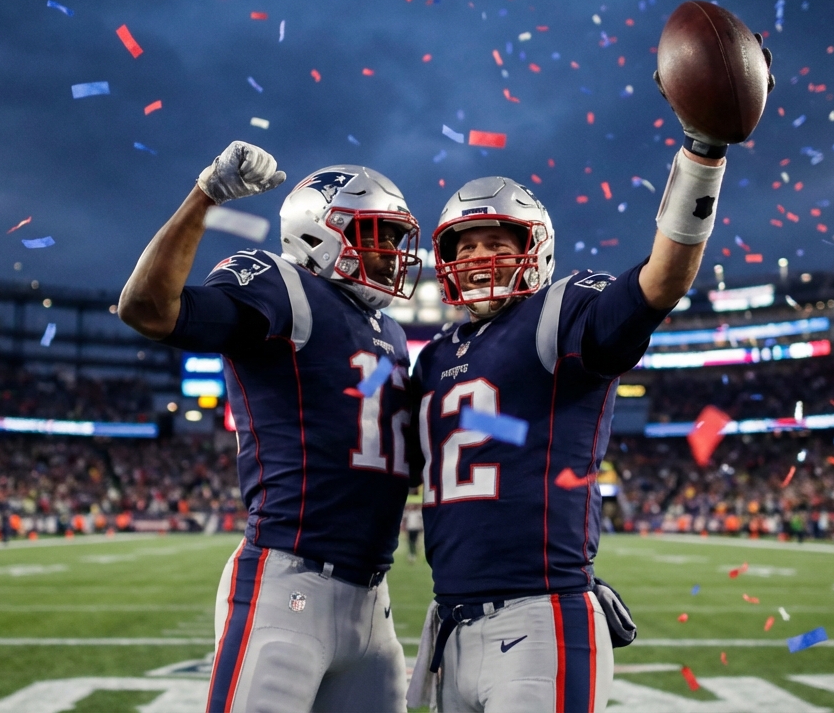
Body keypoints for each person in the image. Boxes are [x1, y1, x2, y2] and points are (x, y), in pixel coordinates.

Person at [407, 36, 773, 712]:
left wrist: (702, 155)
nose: (482, 256)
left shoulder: (559, 313)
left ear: (535, 250)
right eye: (467, 246)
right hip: (451, 622)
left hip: (538, 614)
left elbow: (660, 282)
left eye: (498, 242)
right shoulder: (432, 358)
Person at [119, 141, 421, 712]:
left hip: (373, 602)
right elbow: (149, 310)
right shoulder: (282, 286)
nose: (390, 253)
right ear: (318, 233)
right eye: (375, 234)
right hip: (289, 581)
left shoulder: (391, 333)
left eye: (395, 238)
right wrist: (204, 196)